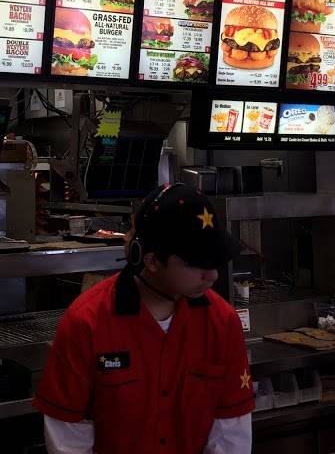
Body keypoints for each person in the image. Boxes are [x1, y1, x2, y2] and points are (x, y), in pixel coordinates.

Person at [35, 183, 253, 454]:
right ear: (151, 261)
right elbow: (68, 439)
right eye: (195, 263)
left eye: (215, 261)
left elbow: (231, 435)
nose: (213, 276)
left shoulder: (222, 322)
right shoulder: (86, 323)